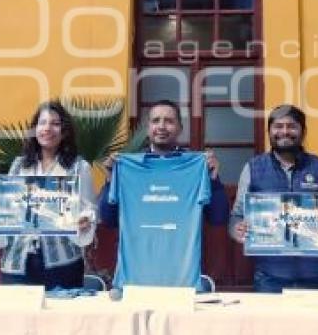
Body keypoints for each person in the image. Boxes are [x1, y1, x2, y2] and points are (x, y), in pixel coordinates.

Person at [97, 99, 229, 288]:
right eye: (156, 120)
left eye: (169, 121)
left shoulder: (194, 167)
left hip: (182, 280)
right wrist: (111, 181)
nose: (161, 126)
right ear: (147, 127)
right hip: (136, 279)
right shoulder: (128, 166)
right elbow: (108, 220)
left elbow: (218, 218)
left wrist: (214, 180)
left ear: (180, 128)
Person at [0, 101, 96, 289]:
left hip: (62, 266)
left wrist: (85, 220)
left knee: (60, 317)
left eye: (55, 123)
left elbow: (89, 209)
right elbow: (7, 209)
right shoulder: (19, 166)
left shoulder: (78, 167)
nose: (47, 128)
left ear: (65, 131)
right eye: (42, 123)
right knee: (17, 317)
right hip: (17, 264)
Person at [229, 104, 318, 293]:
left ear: (303, 132)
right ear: (269, 131)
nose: (285, 131)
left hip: (316, 278)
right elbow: (237, 216)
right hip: (269, 279)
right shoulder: (253, 168)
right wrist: (237, 229)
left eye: (291, 126)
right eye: (278, 126)